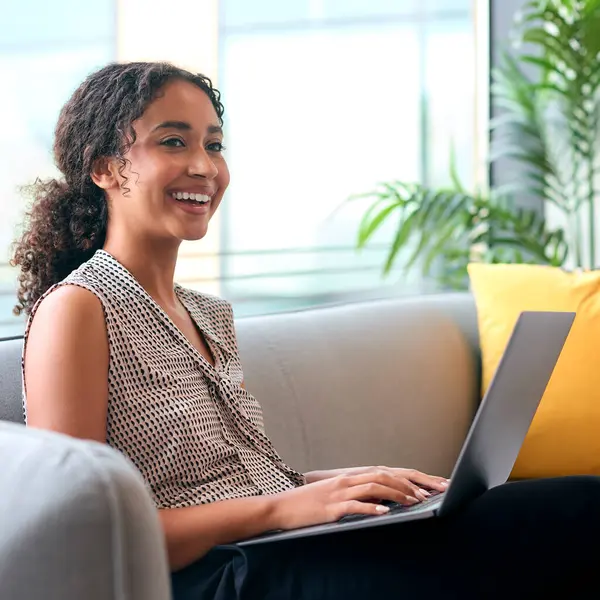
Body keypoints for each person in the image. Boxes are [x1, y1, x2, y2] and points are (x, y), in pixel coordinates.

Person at [12, 61, 600, 600]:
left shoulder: (207, 315)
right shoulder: (79, 308)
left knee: (577, 508)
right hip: (217, 579)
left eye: (213, 145)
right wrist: (286, 508)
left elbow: (238, 481)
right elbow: (86, 532)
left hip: (276, 547)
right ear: (104, 167)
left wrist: (346, 485)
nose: (204, 166)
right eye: (173, 141)